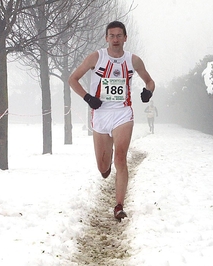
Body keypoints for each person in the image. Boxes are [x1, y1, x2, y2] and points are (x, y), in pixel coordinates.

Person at [68, 21, 155, 220]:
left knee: (121, 158)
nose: (115, 39)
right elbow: (72, 79)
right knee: (103, 166)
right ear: (106, 38)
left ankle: (119, 206)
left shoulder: (134, 60)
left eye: (119, 36)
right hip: (100, 114)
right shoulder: (96, 57)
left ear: (125, 38)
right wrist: (88, 98)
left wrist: (147, 92)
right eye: (112, 36)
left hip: (123, 113)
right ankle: (106, 162)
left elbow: (150, 81)